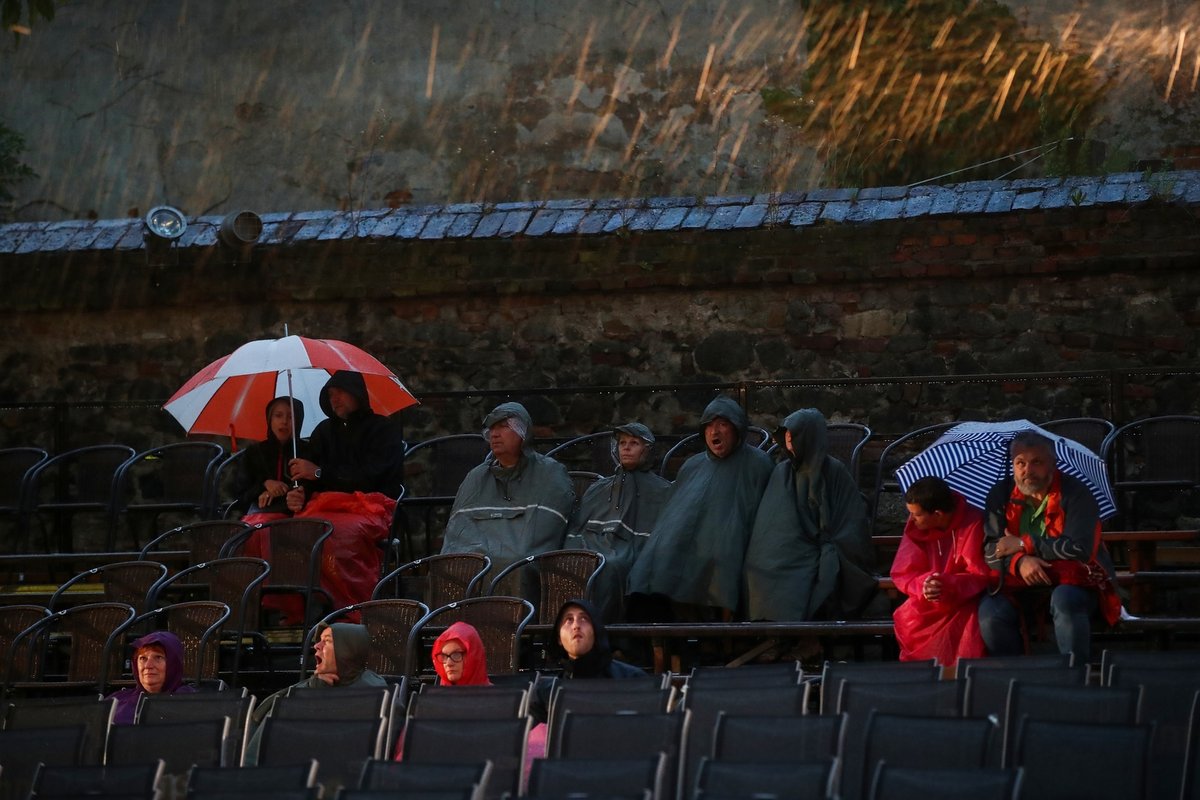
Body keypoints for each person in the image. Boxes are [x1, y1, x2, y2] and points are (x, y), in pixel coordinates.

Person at [978, 431, 1121, 664]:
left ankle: (1073, 675)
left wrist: (1025, 544)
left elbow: (1080, 549)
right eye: (1020, 463)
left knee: (1065, 599)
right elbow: (989, 550)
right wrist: (1020, 562)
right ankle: (1011, 678)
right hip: (1019, 585)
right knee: (989, 613)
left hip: (1076, 584)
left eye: (1037, 462)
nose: (1027, 471)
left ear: (1052, 464)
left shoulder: (1076, 494)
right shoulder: (1000, 494)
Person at [627, 396, 773, 620]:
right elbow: (672, 514)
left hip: (727, 542)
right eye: (710, 426)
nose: (715, 432)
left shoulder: (757, 464)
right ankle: (661, 642)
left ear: (737, 429)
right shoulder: (692, 465)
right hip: (685, 541)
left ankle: (713, 636)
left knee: (717, 558)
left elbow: (761, 514)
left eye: (723, 425)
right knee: (653, 559)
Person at [277, 370, 404, 614]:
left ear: (357, 394)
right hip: (326, 506)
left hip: (371, 506)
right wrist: (299, 494)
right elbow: (311, 479)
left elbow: (371, 477)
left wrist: (318, 474)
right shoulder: (324, 432)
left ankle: (353, 610)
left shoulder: (383, 430)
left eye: (341, 393)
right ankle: (301, 612)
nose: (335, 399)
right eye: (330, 395)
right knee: (292, 531)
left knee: (340, 535)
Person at [743, 408, 878, 622]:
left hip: (831, 547)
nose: (789, 444)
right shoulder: (782, 472)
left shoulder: (834, 471)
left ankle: (808, 638)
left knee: (822, 574)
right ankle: (775, 638)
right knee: (762, 570)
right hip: (791, 550)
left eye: (793, 437)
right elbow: (774, 522)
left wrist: (828, 545)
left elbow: (850, 521)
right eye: (785, 438)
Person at [440, 402, 575, 579]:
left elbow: (541, 534)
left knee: (515, 564)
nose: (494, 434)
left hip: (519, 561)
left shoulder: (550, 474)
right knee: (447, 565)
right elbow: (458, 534)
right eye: (491, 429)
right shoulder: (477, 476)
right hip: (477, 558)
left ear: (522, 433)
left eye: (503, 427)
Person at [564, 423, 671, 622]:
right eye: (622, 443)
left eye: (634, 443)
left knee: (613, 566)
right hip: (593, 547)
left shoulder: (662, 490)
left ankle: (610, 636)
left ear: (646, 450)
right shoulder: (598, 488)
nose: (626, 447)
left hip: (633, 551)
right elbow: (576, 529)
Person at [246, 622, 386, 763]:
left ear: (347, 651)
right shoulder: (308, 688)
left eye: (327, 641)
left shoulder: (376, 693)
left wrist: (317, 698)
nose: (317, 646)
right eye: (319, 641)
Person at [890, 476, 991, 668]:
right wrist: (925, 585)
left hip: (964, 599)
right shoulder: (916, 526)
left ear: (937, 514)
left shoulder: (974, 522)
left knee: (968, 628)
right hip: (927, 598)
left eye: (917, 514)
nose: (912, 519)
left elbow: (980, 574)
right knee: (907, 618)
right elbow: (904, 571)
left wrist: (949, 584)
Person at [235, 396, 314, 516]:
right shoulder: (254, 452)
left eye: (291, 416)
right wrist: (264, 486)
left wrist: (297, 493)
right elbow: (240, 495)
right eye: (278, 415)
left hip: (299, 514)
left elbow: (316, 485)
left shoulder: (307, 451)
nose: (284, 421)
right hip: (261, 515)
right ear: (270, 419)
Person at [107, 630, 196, 725]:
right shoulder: (116, 703)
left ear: (174, 664)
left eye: (158, 657)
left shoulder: (193, 705)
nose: (148, 665)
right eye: (143, 658)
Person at [430, 621, 491, 686]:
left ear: (474, 656)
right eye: (444, 656)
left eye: (456, 655)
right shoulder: (433, 695)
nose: (448, 663)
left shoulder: (497, 695)